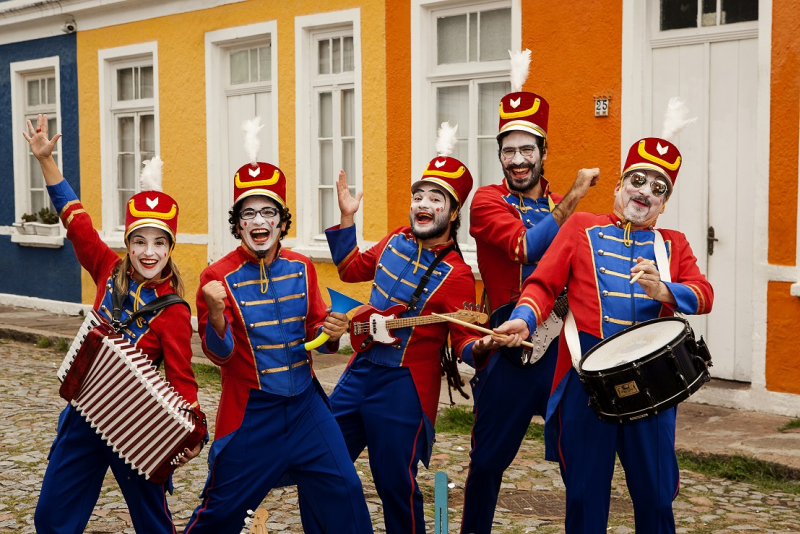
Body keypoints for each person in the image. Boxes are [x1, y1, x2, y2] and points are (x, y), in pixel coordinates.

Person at [491, 126, 714, 533]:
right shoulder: (581, 229)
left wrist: (664, 288)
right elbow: (542, 284)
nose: (645, 192)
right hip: (588, 379)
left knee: (656, 495)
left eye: (658, 188)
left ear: (663, 203)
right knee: (584, 495)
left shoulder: (673, 245)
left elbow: (704, 295)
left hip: (654, 386)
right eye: (638, 180)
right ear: (620, 185)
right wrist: (523, 319)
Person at [184, 120, 373, 534]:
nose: (259, 221)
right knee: (220, 513)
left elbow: (316, 338)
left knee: (345, 491)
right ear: (238, 223)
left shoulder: (301, 266)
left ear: (280, 221)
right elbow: (219, 354)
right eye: (249, 212)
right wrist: (215, 314)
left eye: (268, 211)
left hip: (306, 408)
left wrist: (333, 332)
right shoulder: (217, 276)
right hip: (252, 413)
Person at [302, 123, 486, 534]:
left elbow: (465, 342)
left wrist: (488, 346)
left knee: (395, 486)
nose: (423, 204)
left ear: (453, 212)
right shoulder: (393, 241)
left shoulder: (457, 275)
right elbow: (350, 268)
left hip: (405, 389)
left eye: (435, 198)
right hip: (359, 373)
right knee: (319, 464)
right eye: (418, 195)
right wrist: (348, 219)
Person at [26, 114, 206, 534]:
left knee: (154, 526)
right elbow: (76, 222)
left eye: (160, 242)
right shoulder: (107, 269)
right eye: (140, 241)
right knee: (50, 520)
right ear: (127, 244)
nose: (149, 252)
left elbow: (181, 376)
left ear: (170, 247)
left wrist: (192, 429)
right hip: (85, 415)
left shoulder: (174, 310)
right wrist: (46, 162)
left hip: (136, 428)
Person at [461, 50, 599, 534]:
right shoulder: (486, 201)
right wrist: (574, 203)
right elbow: (523, 247)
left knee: (577, 461)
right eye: (508, 150)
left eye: (527, 149)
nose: (517, 160)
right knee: (487, 464)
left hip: (562, 349)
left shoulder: (561, 200)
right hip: (509, 346)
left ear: (543, 150)